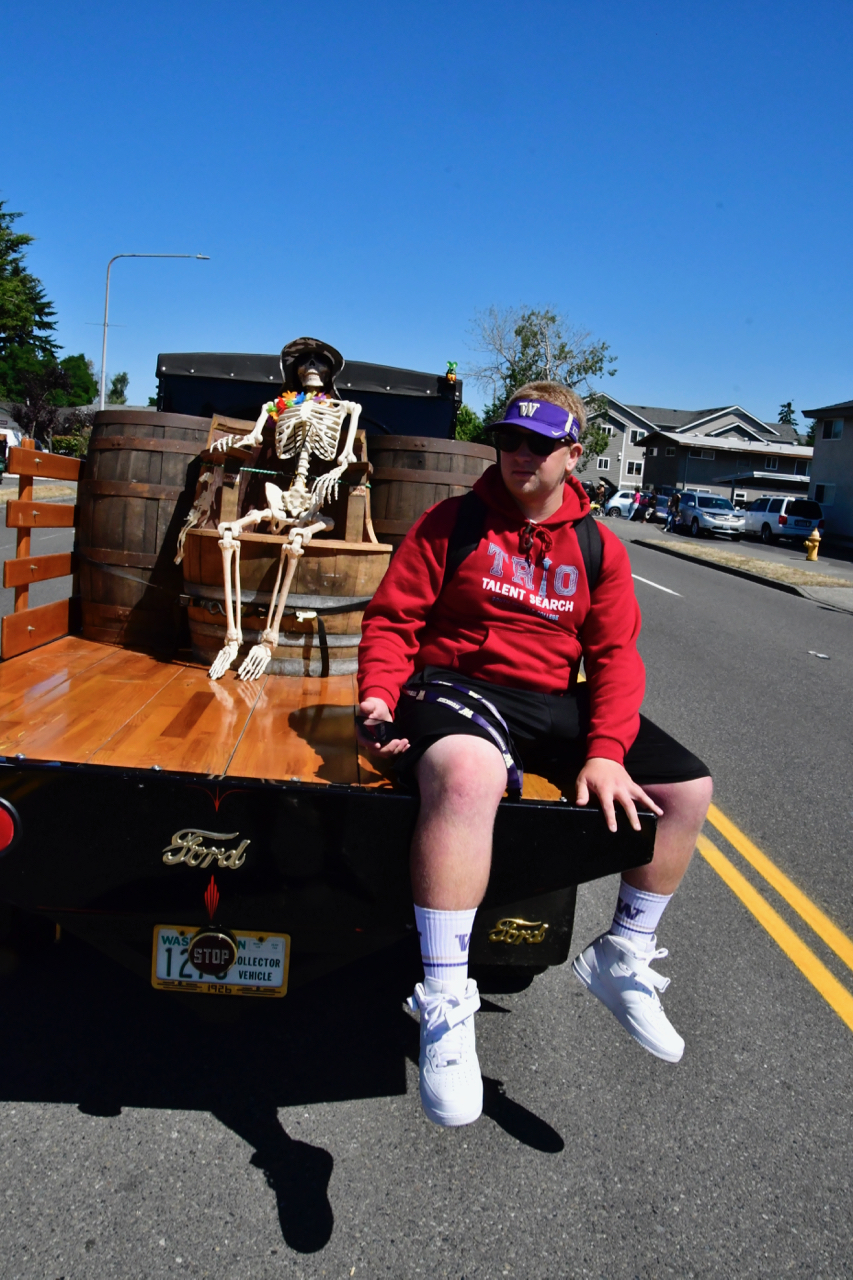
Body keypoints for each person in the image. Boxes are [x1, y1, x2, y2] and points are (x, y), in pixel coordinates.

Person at [357, 382, 712, 1128]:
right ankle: (448, 1002)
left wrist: (606, 751)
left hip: (549, 698)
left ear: (573, 454)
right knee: (469, 773)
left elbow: (614, 656)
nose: (520, 455)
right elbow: (394, 619)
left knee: (687, 790)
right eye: (510, 440)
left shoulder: (596, 545)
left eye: (540, 444)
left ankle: (622, 956)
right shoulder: (451, 523)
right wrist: (381, 696)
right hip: (456, 684)